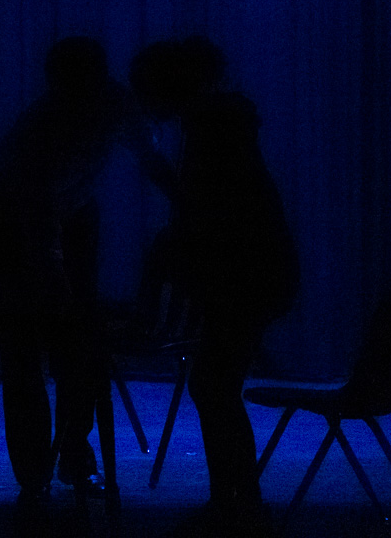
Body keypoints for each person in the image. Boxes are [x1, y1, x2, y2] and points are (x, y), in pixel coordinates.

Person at [0, 37, 174, 506]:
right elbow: (37, 215)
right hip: (14, 215)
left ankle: (62, 456)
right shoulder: (46, 131)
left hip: (59, 210)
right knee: (33, 337)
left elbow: (149, 159)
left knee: (57, 338)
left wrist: (185, 198)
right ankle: (51, 460)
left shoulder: (100, 107)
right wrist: (57, 283)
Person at [130, 37, 299, 537]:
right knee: (213, 385)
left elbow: (206, 211)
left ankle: (238, 504)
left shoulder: (212, 128)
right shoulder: (217, 122)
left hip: (246, 275)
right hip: (253, 273)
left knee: (213, 386)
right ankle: (236, 501)